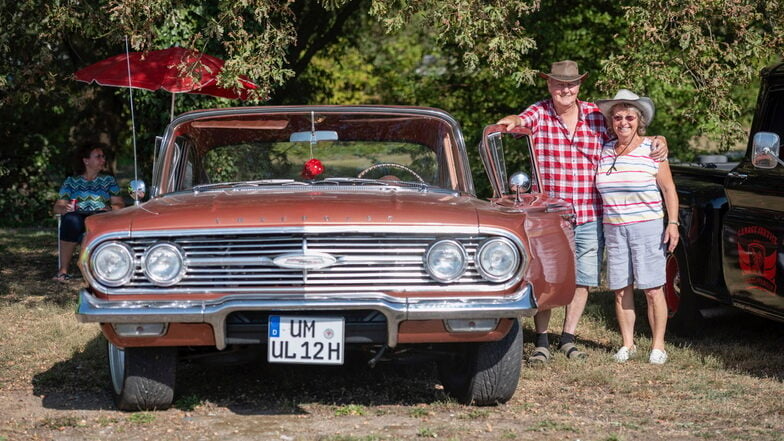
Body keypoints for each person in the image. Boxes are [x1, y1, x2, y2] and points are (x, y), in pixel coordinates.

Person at [496, 60, 668, 364]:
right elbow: (518, 121)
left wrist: (658, 139)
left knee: (583, 279)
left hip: (589, 213)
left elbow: (628, 135)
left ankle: (569, 338)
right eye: (559, 84)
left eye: (571, 84)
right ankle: (542, 340)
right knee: (548, 278)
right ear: (549, 85)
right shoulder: (539, 112)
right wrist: (508, 122)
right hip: (550, 215)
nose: (565, 89)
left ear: (579, 86)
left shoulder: (594, 115)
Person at [594, 89, 679, 364]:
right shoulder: (605, 149)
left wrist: (673, 223)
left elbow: (669, 190)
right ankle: (628, 344)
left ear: (639, 119)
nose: (623, 122)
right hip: (614, 227)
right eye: (617, 117)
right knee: (621, 288)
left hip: (647, 226)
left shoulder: (652, 149)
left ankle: (658, 346)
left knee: (653, 288)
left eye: (629, 116)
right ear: (611, 121)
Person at [52, 143, 123, 282]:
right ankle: (63, 271)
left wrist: (111, 209)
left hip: (100, 215)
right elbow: (57, 207)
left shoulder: (108, 180)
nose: (103, 160)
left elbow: (119, 204)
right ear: (86, 161)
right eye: (98, 157)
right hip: (77, 216)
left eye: (103, 157)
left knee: (95, 223)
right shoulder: (71, 181)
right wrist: (65, 209)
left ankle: (91, 268)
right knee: (71, 220)